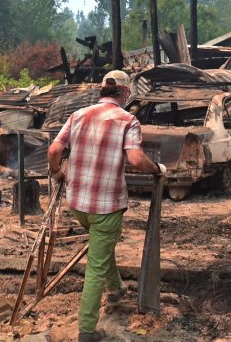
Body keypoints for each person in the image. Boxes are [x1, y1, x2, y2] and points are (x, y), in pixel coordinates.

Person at [47, 70, 166, 342]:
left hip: (78, 204)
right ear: (124, 92)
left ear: (103, 90)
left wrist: (57, 173)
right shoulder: (128, 120)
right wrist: (157, 169)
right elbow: (136, 159)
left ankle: (116, 290)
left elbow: (54, 151)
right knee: (95, 267)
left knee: (102, 246)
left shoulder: (78, 115)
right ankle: (87, 330)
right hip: (106, 206)